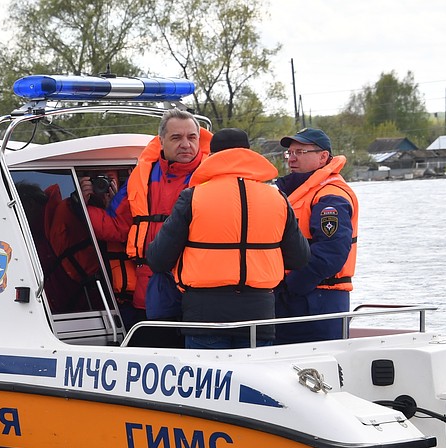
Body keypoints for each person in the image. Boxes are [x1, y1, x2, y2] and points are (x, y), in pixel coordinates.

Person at [146, 129, 309, 349]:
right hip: (259, 317)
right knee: (255, 382)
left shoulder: (193, 196)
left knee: (207, 384)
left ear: (212, 157)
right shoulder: (277, 198)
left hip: (204, 317)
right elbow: (299, 258)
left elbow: (158, 259)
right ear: (249, 154)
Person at [86, 109, 213, 342]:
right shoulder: (142, 177)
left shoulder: (213, 177)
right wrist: (81, 207)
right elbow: (117, 226)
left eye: (192, 137)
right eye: (176, 138)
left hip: (201, 291)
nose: (186, 144)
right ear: (161, 141)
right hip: (150, 291)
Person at [273, 127, 359, 344]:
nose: (292, 158)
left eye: (300, 152)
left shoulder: (331, 197)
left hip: (318, 300)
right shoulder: (296, 193)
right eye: (289, 153)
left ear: (323, 157)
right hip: (297, 298)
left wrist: (290, 286)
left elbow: (331, 253)